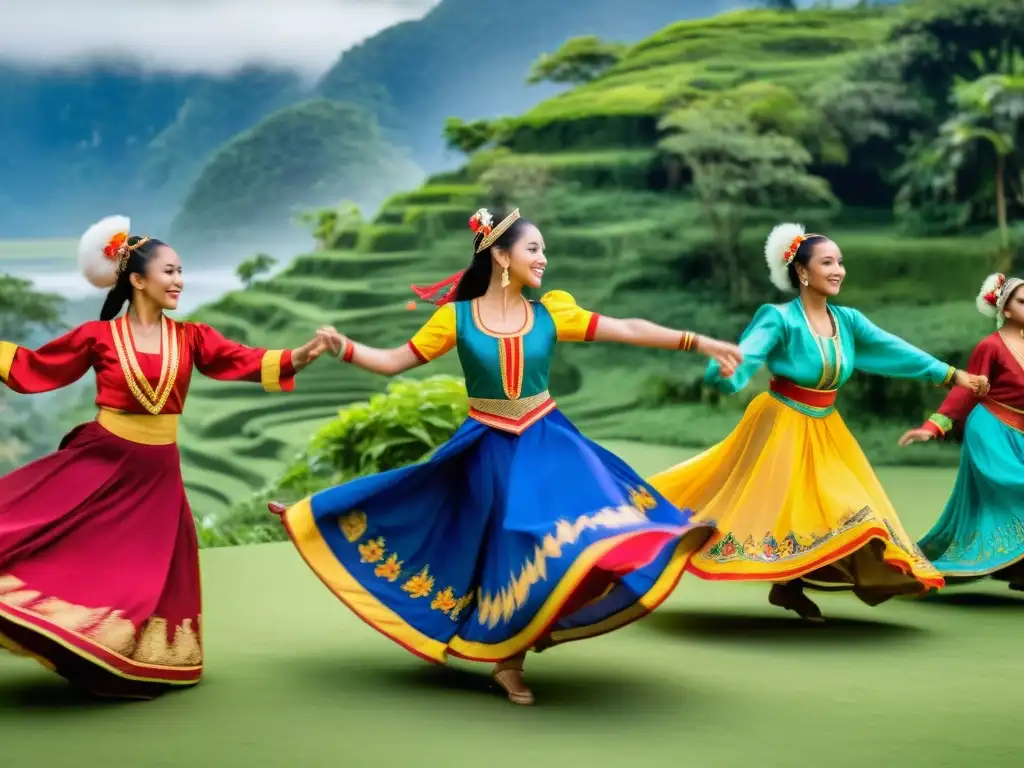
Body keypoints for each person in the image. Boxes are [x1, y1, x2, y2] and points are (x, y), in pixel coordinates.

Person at [269, 207, 742, 705]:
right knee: (501, 548)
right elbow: (391, 362)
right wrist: (343, 347)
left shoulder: (551, 313)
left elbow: (628, 327)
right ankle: (507, 662)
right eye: (533, 249)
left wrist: (702, 343)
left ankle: (646, 549)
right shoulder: (455, 318)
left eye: (542, 250)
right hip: (486, 446)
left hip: (547, 439)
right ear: (500, 255)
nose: (543, 258)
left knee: (583, 526)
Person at [0, 215, 326, 698]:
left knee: (143, 570)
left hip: (156, 474)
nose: (178, 280)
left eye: (180, 271)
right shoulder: (99, 336)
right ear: (137, 279)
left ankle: (111, 661)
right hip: (102, 461)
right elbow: (35, 368)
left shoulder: (191, 337)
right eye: (169, 271)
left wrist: (300, 355)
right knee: (54, 538)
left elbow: (241, 359)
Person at [646, 222, 990, 621]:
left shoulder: (848, 321)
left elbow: (896, 350)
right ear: (803, 272)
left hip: (827, 427)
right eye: (828, 262)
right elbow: (749, 354)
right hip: (782, 424)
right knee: (772, 505)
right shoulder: (779, 319)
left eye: (841, 262)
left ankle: (793, 585)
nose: (839, 270)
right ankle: (783, 584)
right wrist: (728, 371)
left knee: (847, 506)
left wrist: (950, 375)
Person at [898, 273, 1024, 591]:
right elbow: (968, 390)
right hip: (991, 430)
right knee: (1014, 486)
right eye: (1023, 302)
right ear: (1005, 309)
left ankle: (1015, 567)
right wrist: (933, 426)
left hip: (1020, 434)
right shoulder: (991, 347)